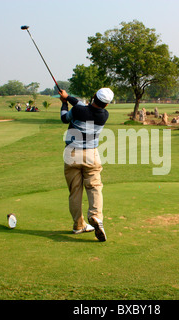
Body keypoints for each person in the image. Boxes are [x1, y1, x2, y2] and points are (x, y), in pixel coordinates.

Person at [59, 88, 114, 242]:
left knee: (75, 191)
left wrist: (64, 103)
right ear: (106, 104)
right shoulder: (104, 115)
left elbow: (65, 118)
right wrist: (68, 97)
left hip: (71, 154)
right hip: (91, 154)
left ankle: (78, 225)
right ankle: (95, 217)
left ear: (93, 96)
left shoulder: (78, 110)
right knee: (94, 186)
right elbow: (82, 106)